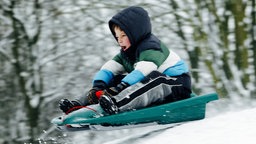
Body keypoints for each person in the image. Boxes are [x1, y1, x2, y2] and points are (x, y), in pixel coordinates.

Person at [59, 6, 192, 115]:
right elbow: (109, 68)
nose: (119, 40)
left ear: (136, 34)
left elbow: (143, 71)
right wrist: (98, 87)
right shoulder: (126, 52)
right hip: (151, 83)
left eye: (123, 35)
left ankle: (116, 104)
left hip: (176, 84)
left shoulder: (152, 46)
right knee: (114, 79)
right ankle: (79, 104)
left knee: (155, 79)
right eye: (117, 36)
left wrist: (120, 88)